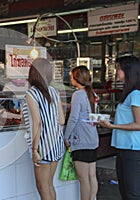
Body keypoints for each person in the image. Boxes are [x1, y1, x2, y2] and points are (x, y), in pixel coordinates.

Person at [99, 55, 140, 200]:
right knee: (124, 190)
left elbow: (138, 124)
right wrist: (107, 120)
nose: (116, 72)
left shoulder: (135, 94)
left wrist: (112, 125)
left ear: (128, 71)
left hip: (133, 149)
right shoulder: (128, 93)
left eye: (119, 68)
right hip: (123, 148)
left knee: (132, 192)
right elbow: (126, 119)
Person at [23, 58, 65, 200]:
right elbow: (62, 120)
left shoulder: (31, 94)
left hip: (43, 147)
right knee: (49, 185)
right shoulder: (54, 91)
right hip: (57, 144)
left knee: (42, 187)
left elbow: (38, 123)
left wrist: (34, 150)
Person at [64, 65, 99, 200]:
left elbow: (74, 118)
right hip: (93, 139)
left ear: (76, 78)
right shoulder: (92, 94)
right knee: (91, 175)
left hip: (81, 140)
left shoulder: (78, 94)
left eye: (72, 76)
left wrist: (66, 136)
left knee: (83, 178)